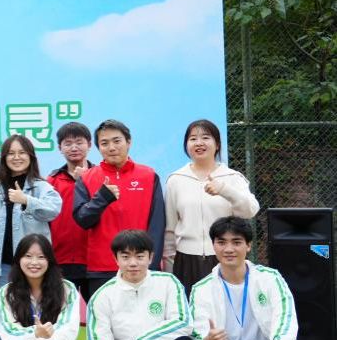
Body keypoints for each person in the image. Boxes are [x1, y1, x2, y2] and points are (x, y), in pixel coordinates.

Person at [0, 134, 62, 340]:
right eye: (11, 153)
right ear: (3, 158)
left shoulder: (41, 187)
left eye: (22, 153)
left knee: (34, 324)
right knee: (1, 329)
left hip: (33, 271)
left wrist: (26, 200)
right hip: (0, 271)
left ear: (31, 157)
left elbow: (54, 209)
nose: (16, 157)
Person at [73, 119, 165, 300]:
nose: (111, 147)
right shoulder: (87, 178)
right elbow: (82, 219)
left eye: (117, 141)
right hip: (101, 268)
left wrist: (151, 264)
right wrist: (102, 198)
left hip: (141, 266)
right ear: (98, 147)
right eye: (104, 143)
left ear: (128, 142)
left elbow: (157, 224)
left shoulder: (148, 175)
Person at [164, 119, 260, 293]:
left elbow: (250, 210)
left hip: (225, 257)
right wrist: (170, 268)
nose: (199, 143)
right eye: (193, 139)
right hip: (186, 260)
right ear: (186, 145)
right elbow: (170, 228)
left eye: (206, 137)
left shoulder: (233, 178)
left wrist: (224, 190)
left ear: (217, 144)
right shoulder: (175, 180)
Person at [46, 123, 94, 298]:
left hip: (93, 260)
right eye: (68, 143)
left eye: (79, 142)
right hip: (60, 259)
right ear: (60, 148)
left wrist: (86, 180)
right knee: (60, 310)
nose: (74, 148)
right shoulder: (51, 181)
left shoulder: (100, 176)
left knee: (97, 310)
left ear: (89, 144)